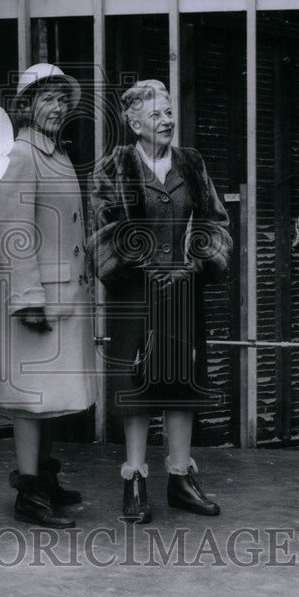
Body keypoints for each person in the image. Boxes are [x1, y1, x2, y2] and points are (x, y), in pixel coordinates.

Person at [90, 79, 232, 523]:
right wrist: (140, 265)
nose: (167, 120)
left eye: (169, 112)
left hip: (184, 289)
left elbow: (214, 221)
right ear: (134, 123)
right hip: (134, 293)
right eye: (156, 114)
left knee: (182, 381)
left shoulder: (191, 163)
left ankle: (180, 478)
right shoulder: (112, 167)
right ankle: (134, 479)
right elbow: (101, 231)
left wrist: (198, 263)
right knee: (135, 383)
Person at [0, 63, 97, 528]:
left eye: (60, 99)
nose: (55, 107)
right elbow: (15, 232)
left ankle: (43, 480)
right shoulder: (21, 153)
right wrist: (28, 297)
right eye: (45, 99)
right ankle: (29, 495)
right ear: (26, 106)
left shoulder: (55, 152)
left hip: (66, 294)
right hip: (41, 296)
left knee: (50, 397)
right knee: (32, 398)